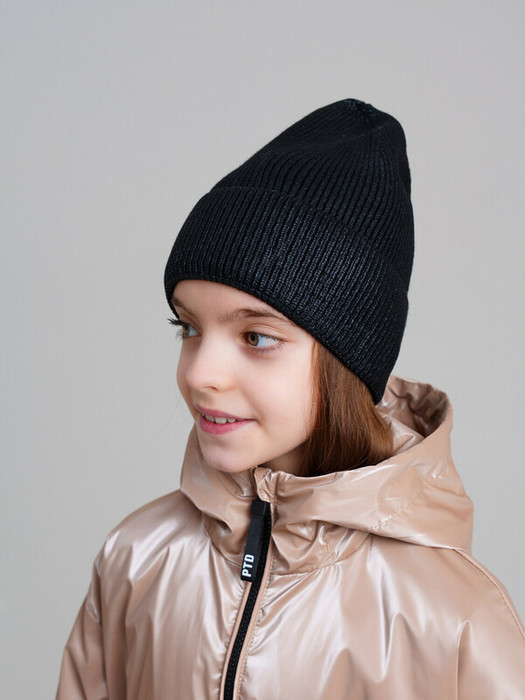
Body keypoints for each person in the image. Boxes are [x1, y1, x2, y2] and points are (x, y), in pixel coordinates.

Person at [56, 99, 525, 699]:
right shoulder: (135, 560)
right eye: (189, 327)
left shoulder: (451, 619)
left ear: (346, 359)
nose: (200, 373)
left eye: (256, 337)